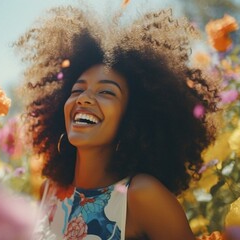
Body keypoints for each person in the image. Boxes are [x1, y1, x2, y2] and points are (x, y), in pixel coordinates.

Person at [16, 5, 219, 240]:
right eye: (77, 90)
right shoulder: (47, 191)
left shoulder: (142, 196)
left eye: (107, 93)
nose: (84, 98)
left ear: (132, 118)